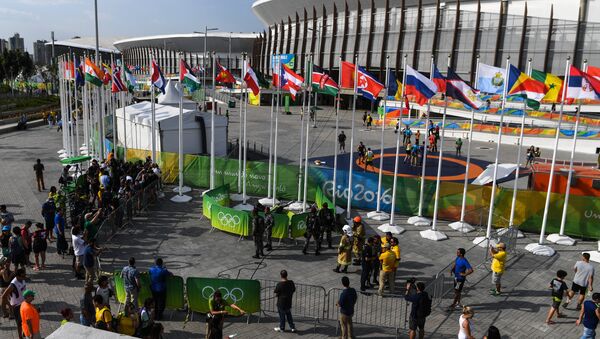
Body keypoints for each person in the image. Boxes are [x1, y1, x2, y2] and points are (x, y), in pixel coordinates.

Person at [2, 269, 27, 339]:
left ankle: (24, 332)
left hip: (24, 303)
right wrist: (10, 306)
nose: (24, 277)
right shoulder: (13, 285)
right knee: (19, 323)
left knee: (25, 319)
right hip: (17, 306)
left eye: (25, 275)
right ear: (17, 276)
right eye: (23, 276)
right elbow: (3, 296)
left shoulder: (23, 280)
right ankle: (20, 337)